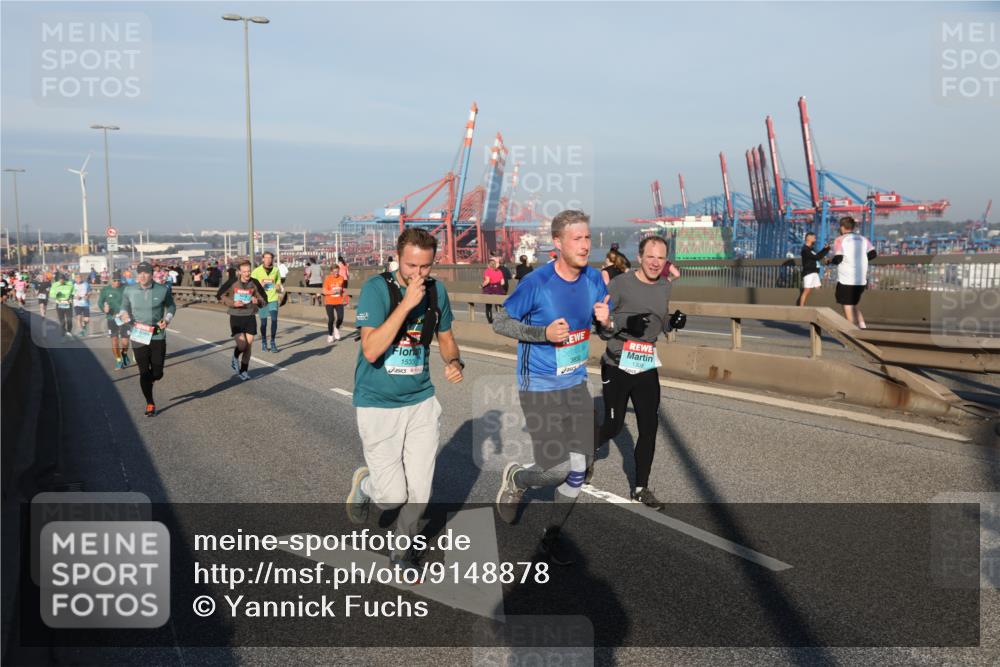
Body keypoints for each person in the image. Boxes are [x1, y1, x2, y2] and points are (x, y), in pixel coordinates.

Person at [492, 209, 612, 565]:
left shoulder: (594, 280)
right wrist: (541, 334)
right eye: (577, 238)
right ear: (557, 244)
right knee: (559, 469)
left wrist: (606, 324)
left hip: (575, 381)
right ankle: (518, 478)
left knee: (581, 469)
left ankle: (552, 534)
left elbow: (605, 329)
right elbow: (500, 322)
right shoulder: (537, 283)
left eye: (588, 237)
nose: (585, 244)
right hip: (539, 384)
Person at [346, 227, 464, 570]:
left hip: (421, 400)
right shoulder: (375, 289)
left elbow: (445, 337)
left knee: (421, 492)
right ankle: (365, 485)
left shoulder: (436, 291)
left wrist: (454, 362)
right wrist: (406, 304)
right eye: (411, 266)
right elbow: (370, 350)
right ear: (398, 257)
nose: (418, 274)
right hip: (377, 403)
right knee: (392, 496)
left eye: (425, 267)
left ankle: (401, 548)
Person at [594, 236, 679, 508]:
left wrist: (673, 322)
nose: (656, 262)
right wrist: (622, 322)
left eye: (661, 258)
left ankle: (641, 487)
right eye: (651, 257)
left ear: (666, 261)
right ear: (640, 257)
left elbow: (659, 322)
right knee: (613, 426)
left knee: (649, 428)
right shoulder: (621, 284)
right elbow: (601, 327)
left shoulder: (665, 286)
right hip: (616, 365)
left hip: (644, 365)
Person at [117, 262, 176, 416]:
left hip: (157, 334)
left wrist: (167, 319)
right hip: (139, 333)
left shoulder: (162, 290)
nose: (142, 276)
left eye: (146, 273)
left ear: (151, 274)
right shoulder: (129, 290)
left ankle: (152, 378)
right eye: (140, 273)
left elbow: (171, 307)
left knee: (157, 373)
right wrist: (124, 313)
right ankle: (150, 403)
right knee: (144, 372)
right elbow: (124, 306)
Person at [216, 259, 268, 380]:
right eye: (244, 272)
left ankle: (244, 371)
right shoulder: (232, 282)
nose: (247, 274)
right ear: (239, 272)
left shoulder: (254, 283)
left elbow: (264, 300)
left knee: (248, 346)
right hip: (236, 316)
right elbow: (220, 295)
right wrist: (233, 303)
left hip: (250, 316)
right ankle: (235, 357)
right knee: (242, 346)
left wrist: (258, 301)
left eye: (249, 271)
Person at [831, 217, 877, 328]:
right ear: (853, 227)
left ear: (842, 227)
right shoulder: (863, 239)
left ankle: (851, 335)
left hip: (846, 279)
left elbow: (838, 259)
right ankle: (863, 328)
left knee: (847, 306)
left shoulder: (839, 240)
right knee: (853, 305)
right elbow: (873, 254)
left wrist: (829, 261)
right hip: (861, 280)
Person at [97, 273, 132, 370]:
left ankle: (124, 354)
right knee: (114, 339)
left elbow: (133, 299)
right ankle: (118, 360)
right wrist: (104, 308)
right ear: (111, 280)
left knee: (125, 342)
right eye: (115, 280)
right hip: (111, 318)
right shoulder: (106, 290)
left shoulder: (126, 288)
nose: (117, 282)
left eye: (119, 280)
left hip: (124, 317)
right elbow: (100, 302)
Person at [251, 252, 284, 352]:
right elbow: (251, 285)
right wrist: (259, 285)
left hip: (273, 298)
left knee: (274, 320)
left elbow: (278, 282)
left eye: (270, 258)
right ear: (263, 259)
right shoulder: (256, 271)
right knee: (264, 323)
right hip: (262, 300)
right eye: (266, 258)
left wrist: (278, 286)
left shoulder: (276, 270)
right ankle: (264, 341)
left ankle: (273, 342)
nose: (268, 260)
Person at [798, 232, 830, 306]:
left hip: (815, 272)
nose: (815, 238)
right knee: (807, 290)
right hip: (808, 272)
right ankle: (801, 308)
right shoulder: (805, 249)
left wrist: (826, 249)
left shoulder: (812, 249)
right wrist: (825, 250)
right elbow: (816, 257)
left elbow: (818, 257)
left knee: (818, 290)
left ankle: (818, 306)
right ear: (808, 238)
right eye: (814, 237)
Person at [323, 263, 347, 342]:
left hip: (339, 301)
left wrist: (343, 294)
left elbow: (342, 288)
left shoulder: (341, 278)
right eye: (334, 272)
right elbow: (324, 291)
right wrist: (332, 292)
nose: (336, 273)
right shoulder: (328, 279)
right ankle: (330, 335)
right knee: (331, 319)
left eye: (337, 271)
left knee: (340, 318)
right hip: (329, 301)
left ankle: (336, 328)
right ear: (331, 272)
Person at [481, 257, 506, 324]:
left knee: (488, 306)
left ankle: (490, 321)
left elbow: (487, 281)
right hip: (498, 289)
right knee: (499, 305)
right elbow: (503, 282)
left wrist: (481, 285)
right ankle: (501, 319)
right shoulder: (499, 271)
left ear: (488, 264)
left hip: (489, 289)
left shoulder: (487, 271)